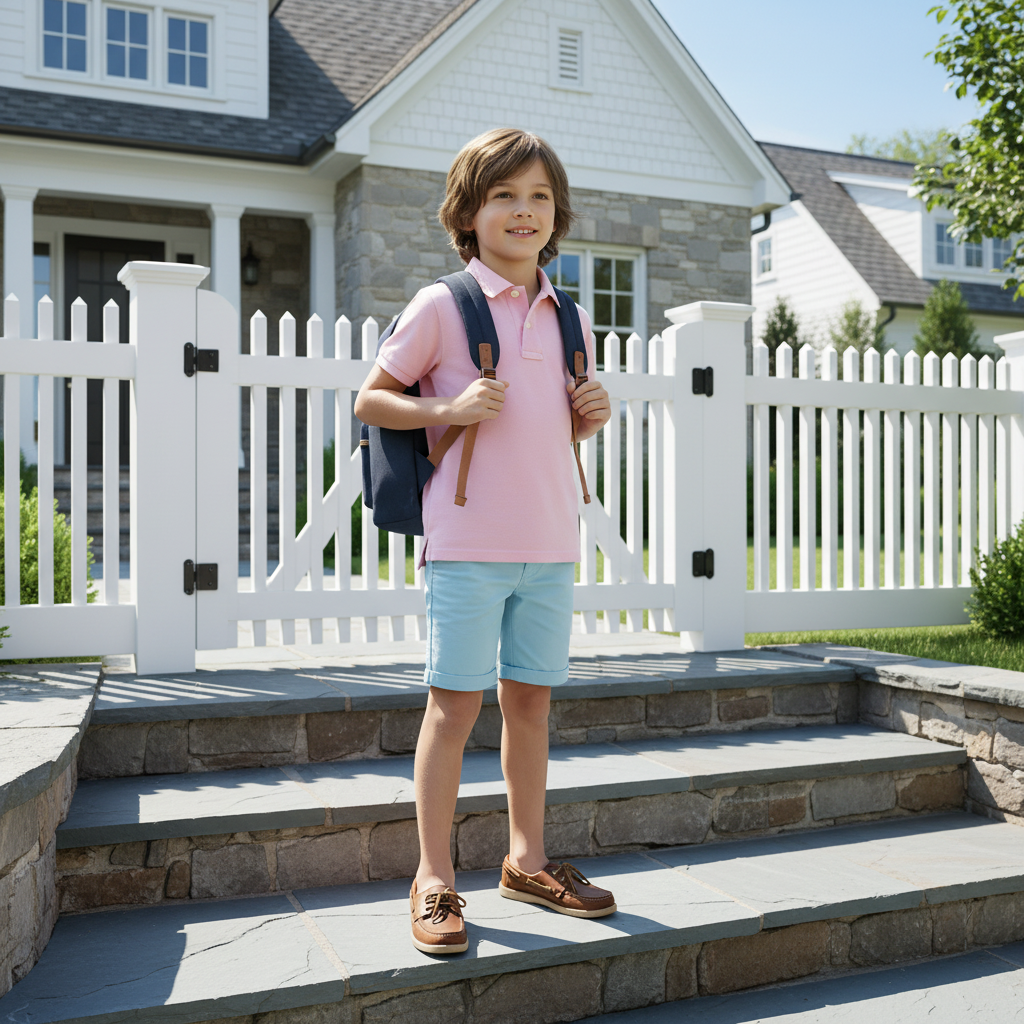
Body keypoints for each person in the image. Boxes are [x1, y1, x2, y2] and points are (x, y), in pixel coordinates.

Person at [354, 127, 616, 955]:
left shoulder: (565, 310)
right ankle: (433, 879)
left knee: (530, 704)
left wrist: (590, 416)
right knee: (454, 707)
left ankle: (528, 861)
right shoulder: (442, 305)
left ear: (557, 214)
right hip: (467, 545)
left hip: (551, 543)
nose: (524, 210)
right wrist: (446, 410)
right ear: (468, 211)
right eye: (505, 195)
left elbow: (549, 426)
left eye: (539, 196)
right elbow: (371, 400)